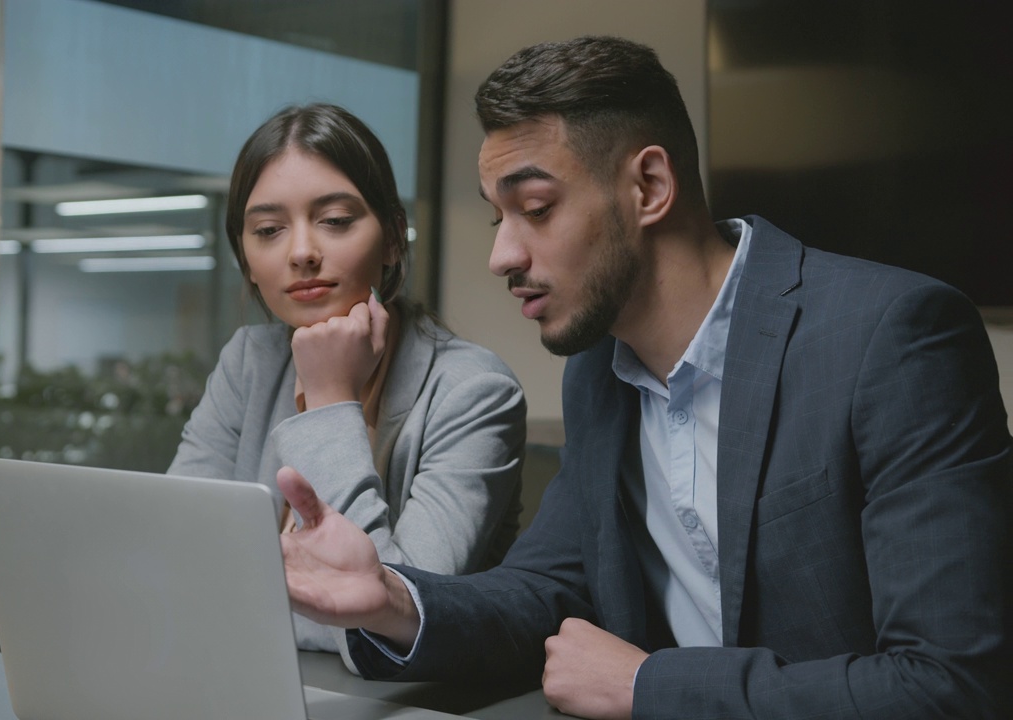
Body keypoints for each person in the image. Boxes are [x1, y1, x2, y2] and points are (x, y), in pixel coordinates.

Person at [276, 36, 1013, 718]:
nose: (502, 255)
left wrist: (645, 684)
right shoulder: (600, 370)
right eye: (498, 216)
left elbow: (950, 684)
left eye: (535, 208)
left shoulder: (893, 336)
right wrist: (389, 599)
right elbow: (545, 592)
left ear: (651, 185)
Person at [167, 103, 526, 665]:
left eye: (334, 220)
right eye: (268, 230)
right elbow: (174, 567)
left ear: (390, 240)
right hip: (247, 680)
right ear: (245, 256)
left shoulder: (474, 392)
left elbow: (395, 614)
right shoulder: (248, 363)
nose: (302, 252)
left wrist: (331, 398)